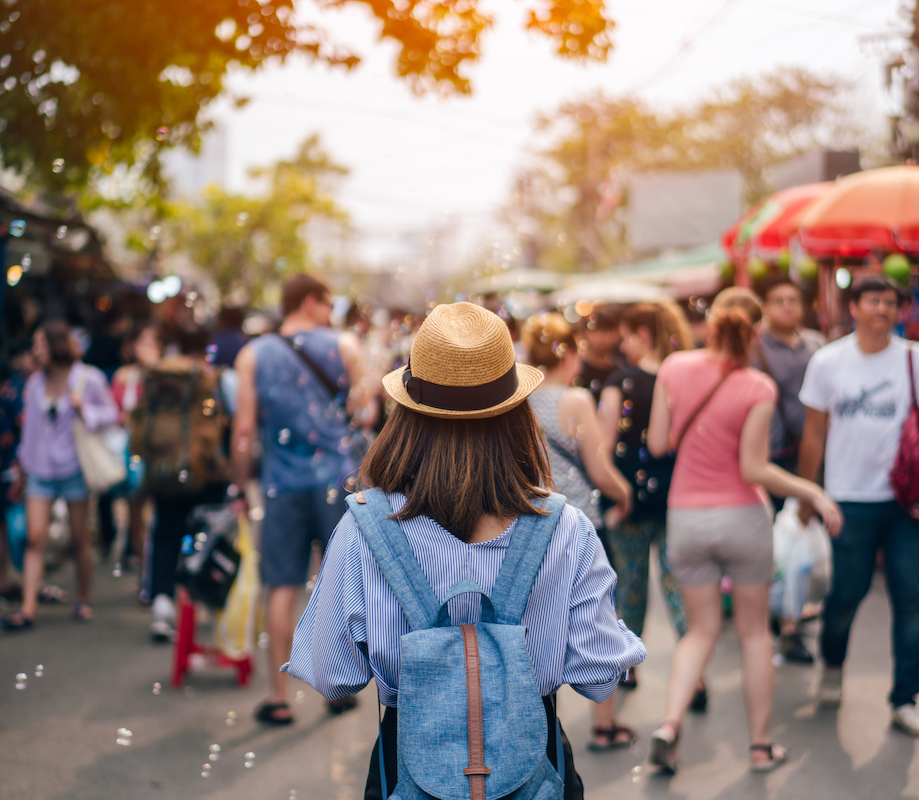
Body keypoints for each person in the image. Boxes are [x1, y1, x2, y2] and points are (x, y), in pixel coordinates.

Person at [286, 301, 646, 799]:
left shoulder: (364, 529)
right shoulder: (566, 529)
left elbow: (332, 675)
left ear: (408, 413)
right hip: (536, 772)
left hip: (406, 773)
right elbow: (600, 674)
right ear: (517, 412)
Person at [645, 287, 842, 774]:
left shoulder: (673, 368)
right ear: (755, 332)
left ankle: (670, 724)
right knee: (755, 634)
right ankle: (759, 747)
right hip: (742, 518)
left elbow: (657, 442)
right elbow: (755, 468)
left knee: (699, 632)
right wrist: (811, 491)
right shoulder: (757, 385)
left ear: (711, 323)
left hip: (686, 518)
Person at [796, 276, 919, 737]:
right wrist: (808, 493)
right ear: (855, 307)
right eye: (873, 300)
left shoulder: (916, 359)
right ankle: (832, 663)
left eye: (890, 302)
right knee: (845, 597)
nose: (882, 309)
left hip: (907, 502)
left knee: (911, 600)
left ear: (899, 310)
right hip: (847, 501)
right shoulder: (828, 361)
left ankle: (905, 700)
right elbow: (813, 434)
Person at [230, 273, 366, 725]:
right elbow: (365, 411)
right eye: (328, 304)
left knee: (281, 587)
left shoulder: (253, 355)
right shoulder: (345, 346)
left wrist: (238, 481)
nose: (331, 314)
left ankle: (278, 696)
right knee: (337, 587)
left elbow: (244, 430)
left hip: (281, 486)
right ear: (311, 302)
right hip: (336, 480)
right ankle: (337, 688)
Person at [520, 312, 635, 751]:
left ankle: (542, 729)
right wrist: (624, 494)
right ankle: (604, 725)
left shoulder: (516, 399)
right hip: (580, 522)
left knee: (537, 625)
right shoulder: (575, 400)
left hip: (530, 524)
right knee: (596, 619)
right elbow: (599, 469)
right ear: (568, 353)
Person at [598, 302, 693, 688]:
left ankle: (626, 667)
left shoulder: (619, 382)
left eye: (627, 337)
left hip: (629, 502)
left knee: (630, 586)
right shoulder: (684, 376)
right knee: (679, 587)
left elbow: (603, 445)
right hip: (678, 498)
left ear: (643, 335)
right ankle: (694, 669)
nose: (623, 346)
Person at [1, 320, 119, 631]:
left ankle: (83, 597)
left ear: (56, 345)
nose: (35, 351)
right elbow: (29, 432)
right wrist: (21, 471)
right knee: (34, 537)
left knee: (79, 538)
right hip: (40, 469)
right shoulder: (34, 384)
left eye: (40, 344)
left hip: (74, 468)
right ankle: (28, 608)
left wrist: (84, 411)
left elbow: (112, 415)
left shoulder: (88, 379)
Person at [752, 276, 826, 665]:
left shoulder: (816, 346)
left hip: (808, 457)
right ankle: (770, 617)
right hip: (768, 457)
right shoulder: (755, 348)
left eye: (793, 300)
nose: (787, 307)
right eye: (778, 300)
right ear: (765, 306)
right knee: (771, 544)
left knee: (798, 541)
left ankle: (791, 624)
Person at [144, 326, 229, 642]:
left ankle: (162, 604)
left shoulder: (159, 375)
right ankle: (199, 603)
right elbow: (230, 423)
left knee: (165, 533)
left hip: (165, 468)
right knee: (204, 537)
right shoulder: (216, 378)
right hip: (207, 472)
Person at [105, 323, 161, 586]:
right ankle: (143, 574)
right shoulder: (124, 377)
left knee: (155, 515)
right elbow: (111, 410)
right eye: (141, 342)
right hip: (130, 450)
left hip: (158, 451)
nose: (144, 349)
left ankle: (152, 574)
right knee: (135, 513)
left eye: (150, 343)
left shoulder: (164, 375)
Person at [0, 339, 35, 602]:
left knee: (2, 520)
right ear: (17, 360)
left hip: (7, 466)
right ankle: (10, 579)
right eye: (29, 355)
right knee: (10, 522)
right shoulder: (18, 390)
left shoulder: (14, 388)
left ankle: (6, 579)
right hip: (12, 468)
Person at [572, 304, 625, 402]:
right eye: (594, 331)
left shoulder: (619, 371)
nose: (600, 338)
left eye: (605, 331)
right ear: (584, 334)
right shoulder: (577, 370)